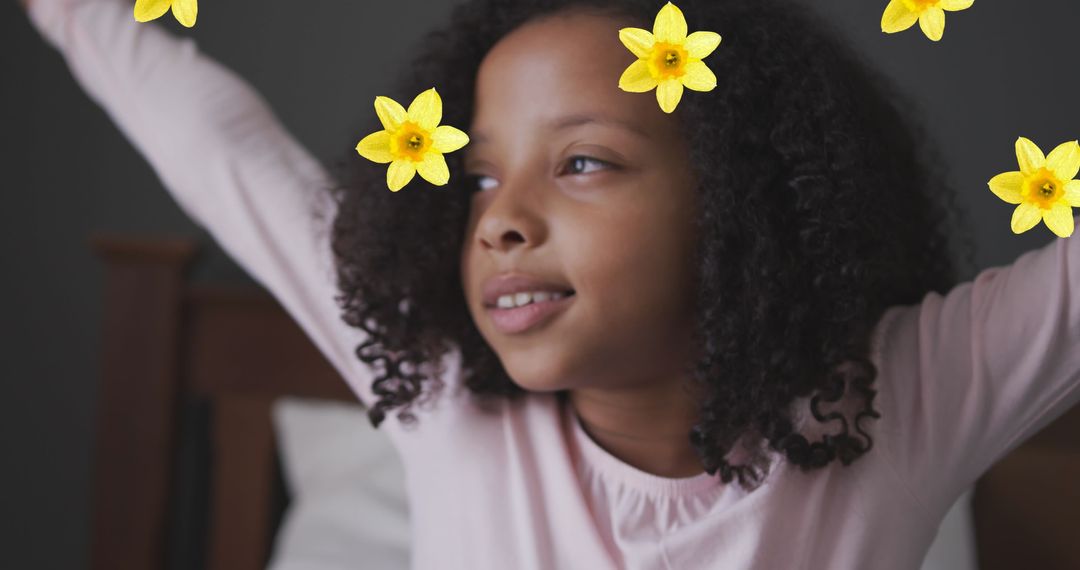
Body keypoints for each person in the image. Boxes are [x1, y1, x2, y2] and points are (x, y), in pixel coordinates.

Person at [22, 0, 1080, 568]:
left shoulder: (902, 401)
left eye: (581, 162)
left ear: (743, 200)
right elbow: (225, 151)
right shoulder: (440, 389)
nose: (502, 219)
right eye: (478, 175)